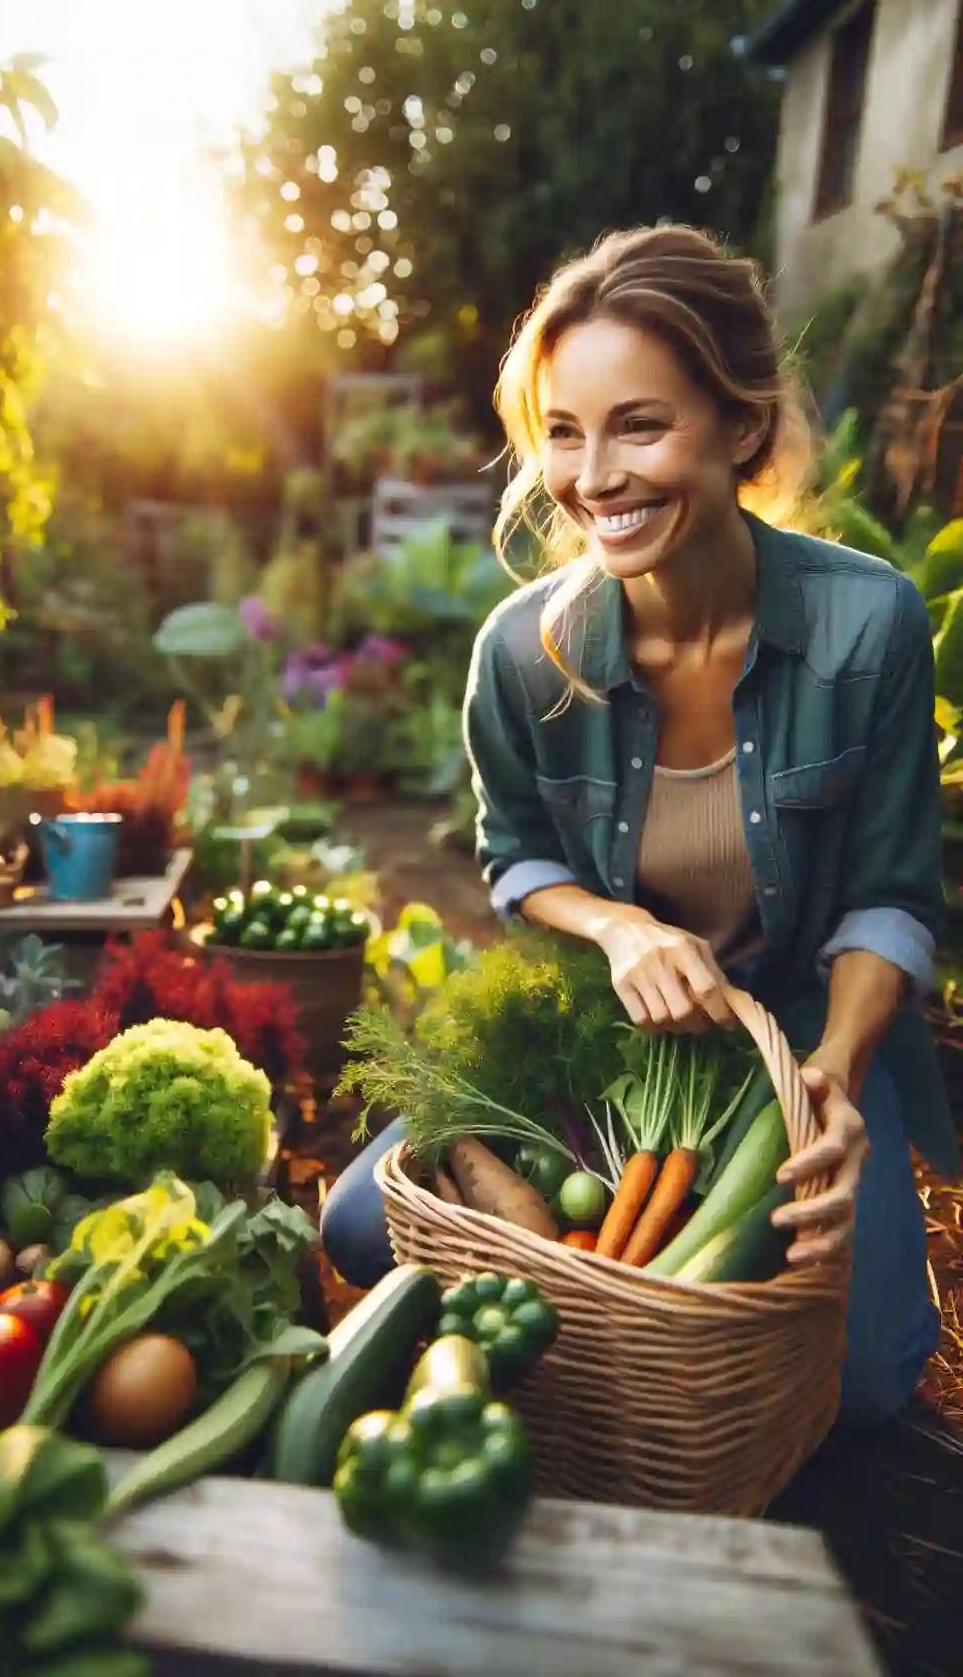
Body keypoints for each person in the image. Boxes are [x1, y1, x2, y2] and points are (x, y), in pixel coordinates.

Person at [322, 225, 958, 1426]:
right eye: (563, 431)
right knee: (361, 1220)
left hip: (801, 1025)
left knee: (868, 1383)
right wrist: (614, 926)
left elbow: (892, 897)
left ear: (742, 428)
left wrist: (830, 1079)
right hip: (609, 1016)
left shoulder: (865, 623)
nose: (593, 477)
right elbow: (517, 858)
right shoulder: (521, 651)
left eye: (641, 424)